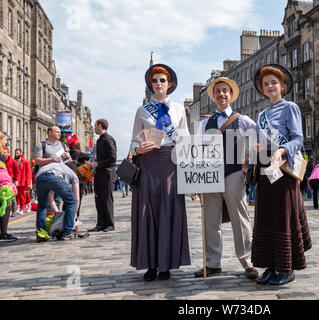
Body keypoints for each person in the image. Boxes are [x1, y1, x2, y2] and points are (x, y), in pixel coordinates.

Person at [251, 64, 312, 285]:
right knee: (266, 216)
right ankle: (269, 265)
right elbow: (261, 141)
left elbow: (298, 138)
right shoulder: (262, 114)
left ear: (282, 85)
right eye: (266, 84)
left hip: (284, 169)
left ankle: (286, 268)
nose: (270, 86)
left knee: (282, 216)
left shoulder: (290, 108)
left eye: (274, 83)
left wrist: (281, 150)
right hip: (266, 170)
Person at [129, 64, 190, 281]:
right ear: (150, 85)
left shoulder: (179, 110)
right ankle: (150, 265)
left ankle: (166, 264)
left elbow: (185, 139)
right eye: (154, 81)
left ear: (170, 84)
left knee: (168, 209)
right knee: (149, 212)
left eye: (162, 80)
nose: (158, 84)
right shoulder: (142, 111)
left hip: (170, 163)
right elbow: (135, 139)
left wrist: (189, 170)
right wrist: (137, 149)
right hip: (148, 163)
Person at [195, 76, 258, 280]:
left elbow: (260, 141)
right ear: (214, 95)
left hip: (234, 172)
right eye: (218, 91)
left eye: (225, 91)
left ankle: (248, 262)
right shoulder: (204, 123)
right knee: (211, 221)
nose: (222, 94)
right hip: (210, 175)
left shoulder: (243, 120)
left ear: (231, 95)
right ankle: (212, 263)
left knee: (240, 219)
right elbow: (195, 150)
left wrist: (249, 158)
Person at [35, 162, 79, 242]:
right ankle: (67, 232)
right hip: (53, 176)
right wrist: (74, 215)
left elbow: (50, 199)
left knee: (42, 205)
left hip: (39, 176)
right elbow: (76, 199)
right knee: (72, 202)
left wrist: (58, 213)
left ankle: (41, 234)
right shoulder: (73, 175)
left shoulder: (59, 167)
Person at [88, 119, 117, 233]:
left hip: (107, 172)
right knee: (98, 199)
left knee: (106, 198)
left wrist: (98, 163)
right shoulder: (100, 140)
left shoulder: (108, 139)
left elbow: (112, 158)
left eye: (95, 126)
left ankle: (109, 223)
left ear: (100, 125)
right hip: (100, 172)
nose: (94, 128)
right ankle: (100, 224)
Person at [0, 132, 18, 242]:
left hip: (4, 183)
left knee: (5, 206)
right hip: (2, 184)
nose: (6, 142)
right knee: (6, 206)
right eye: (5, 140)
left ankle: (3, 232)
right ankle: (4, 233)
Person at [67, 135, 90, 221]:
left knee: (68, 199)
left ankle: (67, 217)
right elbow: (88, 157)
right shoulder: (80, 154)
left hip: (68, 179)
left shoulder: (68, 154)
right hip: (79, 180)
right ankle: (75, 217)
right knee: (78, 199)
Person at [14, 149, 32, 215]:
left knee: (23, 195)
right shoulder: (14, 161)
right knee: (17, 195)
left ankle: (23, 207)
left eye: (17, 153)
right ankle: (18, 207)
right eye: (15, 153)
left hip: (23, 181)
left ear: (21, 153)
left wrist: (28, 183)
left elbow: (28, 173)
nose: (16, 155)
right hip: (17, 181)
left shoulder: (26, 162)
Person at [4, 147, 19, 216]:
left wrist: (17, 180)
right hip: (3, 180)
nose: (4, 154)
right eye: (3, 152)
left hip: (11, 180)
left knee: (12, 196)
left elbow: (17, 172)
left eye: (5, 152)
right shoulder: (1, 160)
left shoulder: (13, 161)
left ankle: (14, 211)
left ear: (8, 153)